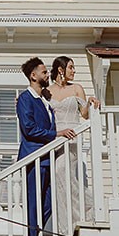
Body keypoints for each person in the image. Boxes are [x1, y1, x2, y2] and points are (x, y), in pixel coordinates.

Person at [16, 56, 73, 236]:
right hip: (34, 158)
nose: (47, 74)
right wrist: (57, 134)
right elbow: (29, 129)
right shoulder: (25, 99)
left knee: (48, 204)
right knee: (33, 205)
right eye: (44, 72)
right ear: (33, 75)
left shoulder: (44, 101)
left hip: (48, 158)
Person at [49, 56, 99, 218]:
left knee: (60, 171)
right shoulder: (47, 91)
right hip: (54, 138)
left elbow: (84, 115)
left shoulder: (77, 88)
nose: (74, 71)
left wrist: (89, 102)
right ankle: (67, 219)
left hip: (71, 137)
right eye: (71, 67)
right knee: (61, 179)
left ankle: (87, 209)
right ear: (60, 70)